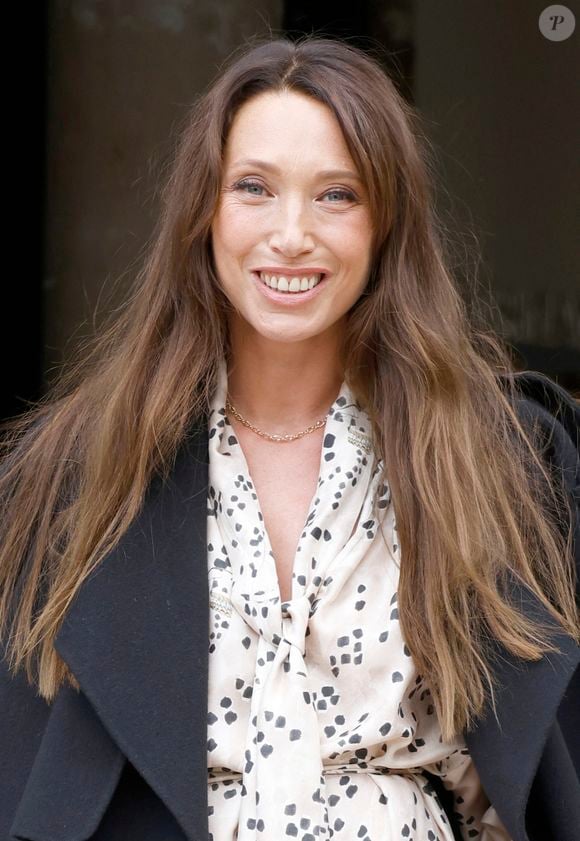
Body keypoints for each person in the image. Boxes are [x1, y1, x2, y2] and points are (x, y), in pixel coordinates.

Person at [0, 35, 578, 841]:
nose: (292, 234)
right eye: (254, 188)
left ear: (387, 223)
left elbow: (535, 776)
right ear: (205, 210)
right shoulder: (75, 469)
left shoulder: (501, 458)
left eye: (336, 194)